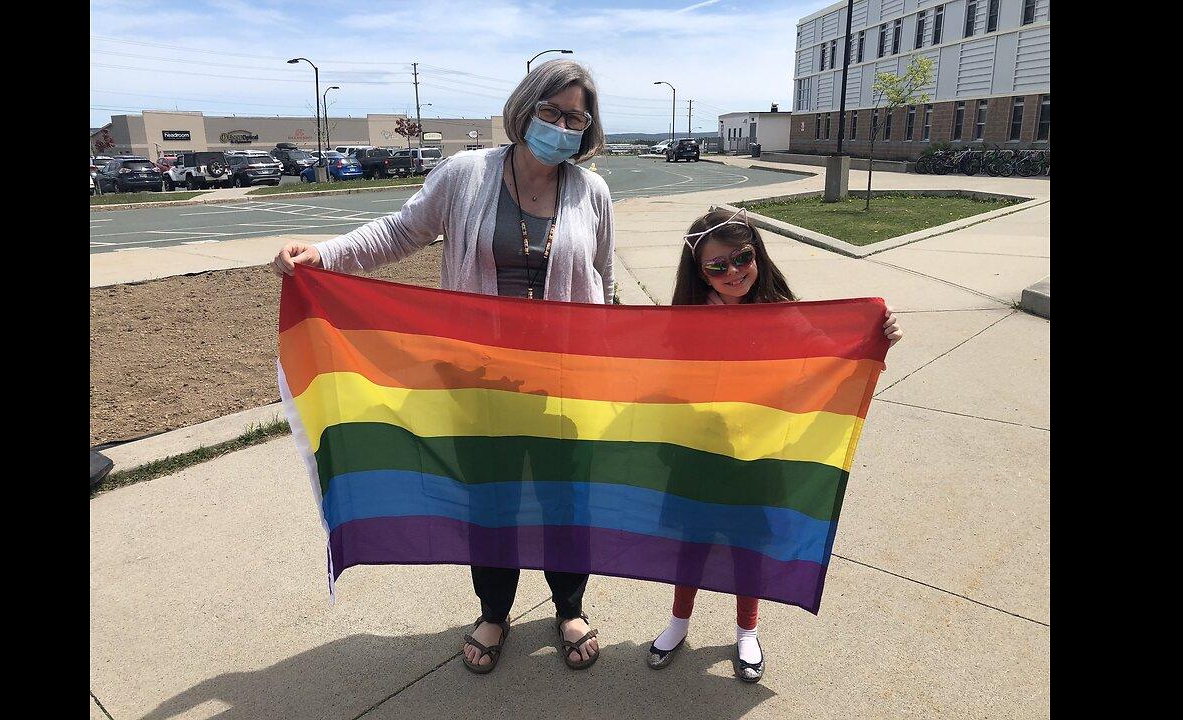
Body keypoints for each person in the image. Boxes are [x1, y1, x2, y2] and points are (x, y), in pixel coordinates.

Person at [272, 59, 613, 674]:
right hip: (477, 380)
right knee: (492, 501)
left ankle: (569, 606)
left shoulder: (592, 192)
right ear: (525, 108)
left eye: (575, 117)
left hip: (566, 382)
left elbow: (603, 281)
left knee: (567, 499)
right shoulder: (467, 174)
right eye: (552, 111)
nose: (562, 125)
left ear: (586, 128)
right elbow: (399, 233)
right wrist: (321, 255)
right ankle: (494, 611)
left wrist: (618, 354)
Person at [646, 207, 903, 683]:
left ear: (757, 254)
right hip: (696, 457)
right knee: (693, 542)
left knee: (749, 544)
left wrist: (876, 343)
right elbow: (663, 376)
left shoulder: (783, 315)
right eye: (716, 266)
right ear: (698, 271)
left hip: (758, 458)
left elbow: (833, 358)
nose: (732, 272)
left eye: (741, 258)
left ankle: (747, 630)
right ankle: (679, 621)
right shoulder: (687, 317)